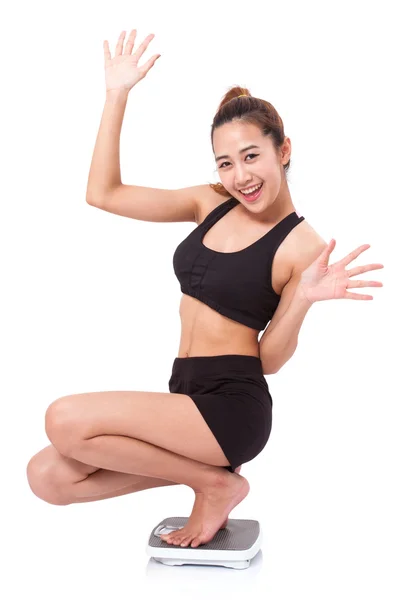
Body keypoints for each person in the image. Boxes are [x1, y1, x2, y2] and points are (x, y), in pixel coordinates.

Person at [26, 29, 384, 549]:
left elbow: (270, 360)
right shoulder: (208, 203)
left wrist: (303, 300)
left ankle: (214, 482)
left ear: (283, 150)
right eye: (225, 162)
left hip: (232, 407)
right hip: (185, 398)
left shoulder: (301, 245)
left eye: (252, 156)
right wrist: (116, 95)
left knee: (64, 418)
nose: (241, 175)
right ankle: (213, 480)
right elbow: (103, 194)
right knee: (48, 477)